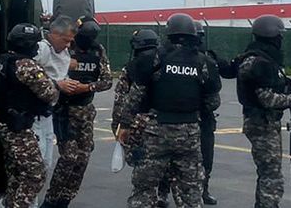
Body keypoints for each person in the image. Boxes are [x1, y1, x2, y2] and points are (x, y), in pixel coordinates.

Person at [117, 13, 221, 208]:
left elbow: (135, 97)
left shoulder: (152, 58)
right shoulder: (204, 63)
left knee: (144, 188)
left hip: (157, 131)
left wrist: (125, 124)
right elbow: (213, 101)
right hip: (189, 132)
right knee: (190, 191)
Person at [236, 15, 291, 208]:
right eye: (279, 36)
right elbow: (267, 99)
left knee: (267, 172)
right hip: (261, 122)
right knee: (272, 175)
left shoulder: (265, 60)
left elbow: (275, 89)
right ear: (271, 36)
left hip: (266, 122)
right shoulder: (258, 62)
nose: (281, 40)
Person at [0, 23, 62, 208]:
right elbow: (50, 95)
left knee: (16, 174)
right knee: (35, 174)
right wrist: (58, 84)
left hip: (3, 124)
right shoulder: (27, 66)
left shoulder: (2, 61)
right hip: (19, 127)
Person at [42, 17, 113, 208]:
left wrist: (87, 87)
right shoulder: (63, 47)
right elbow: (44, 72)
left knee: (82, 159)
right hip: (64, 111)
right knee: (69, 158)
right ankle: (51, 201)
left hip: (85, 111)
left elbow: (107, 81)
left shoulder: (98, 51)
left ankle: (65, 200)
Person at [32, 14, 78, 193]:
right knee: (35, 166)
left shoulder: (63, 52)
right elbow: (28, 76)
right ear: (54, 34)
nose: (68, 45)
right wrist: (58, 84)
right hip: (33, 114)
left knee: (45, 163)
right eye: (66, 40)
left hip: (48, 112)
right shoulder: (41, 49)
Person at [112, 29, 160, 169]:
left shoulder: (132, 67)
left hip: (138, 122)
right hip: (163, 121)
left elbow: (121, 98)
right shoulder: (164, 63)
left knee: (141, 167)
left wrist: (118, 126)